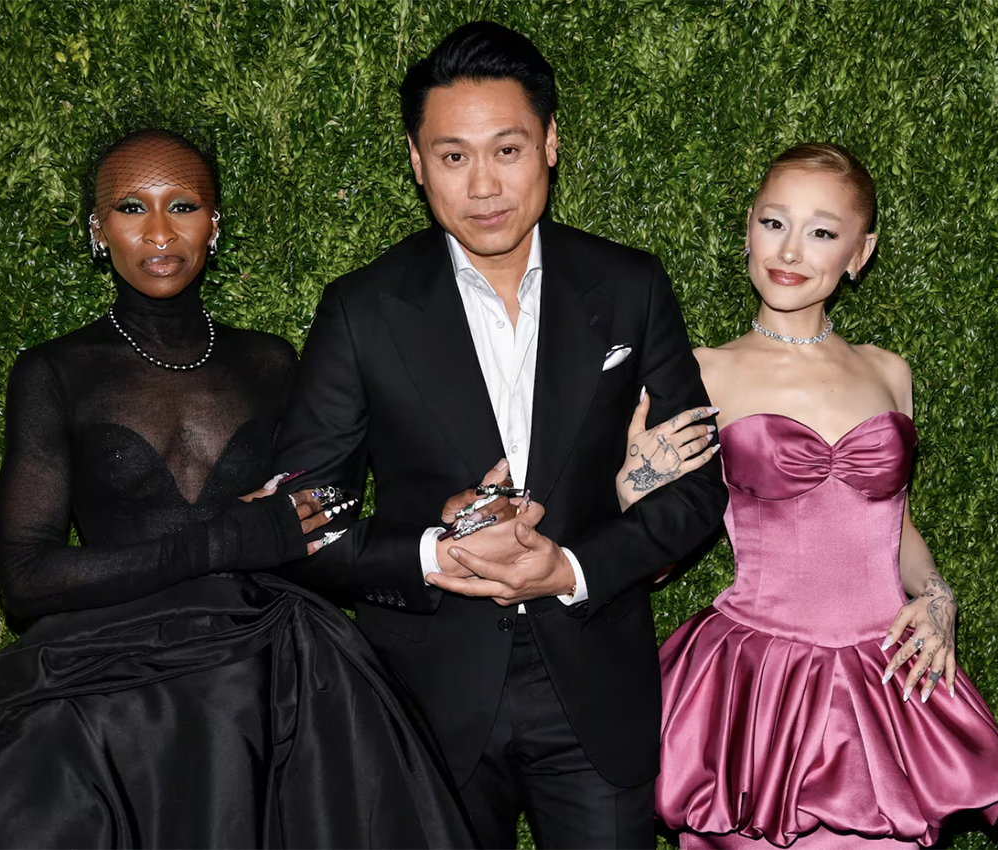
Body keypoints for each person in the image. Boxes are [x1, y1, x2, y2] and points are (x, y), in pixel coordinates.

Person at [0, 128, 473, 848]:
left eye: (185, 205)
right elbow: (25, 577)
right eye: (133, 207)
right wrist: (227, 540)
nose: (161, 231)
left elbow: (323, 519)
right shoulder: (54, 373)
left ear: (215, 225)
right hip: (112, 683)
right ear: (97, 231)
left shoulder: (270, 362)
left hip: (276, 671)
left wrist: (440, 523)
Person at [273, 22, 728, 849]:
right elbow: (303, 516)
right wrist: (429, 553)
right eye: (452, 156)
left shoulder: (629, 287)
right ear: (416, 161)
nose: (483, 184)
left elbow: (699, 488)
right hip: (424, 698)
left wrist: (572, 566)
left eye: (507, 149)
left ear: (551, 143)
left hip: (593, 684)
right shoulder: (361, 309)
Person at [619, 143, 998, 848]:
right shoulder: (701, 373)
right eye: (774, 222)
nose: (790, 250)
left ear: (860, 252)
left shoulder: (890, 372)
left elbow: (890, 525)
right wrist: (635, 485)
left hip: (884, 683)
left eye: (821, 231)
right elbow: (652, 564)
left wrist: (937, 598)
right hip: (759, 689)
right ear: (748, 224)